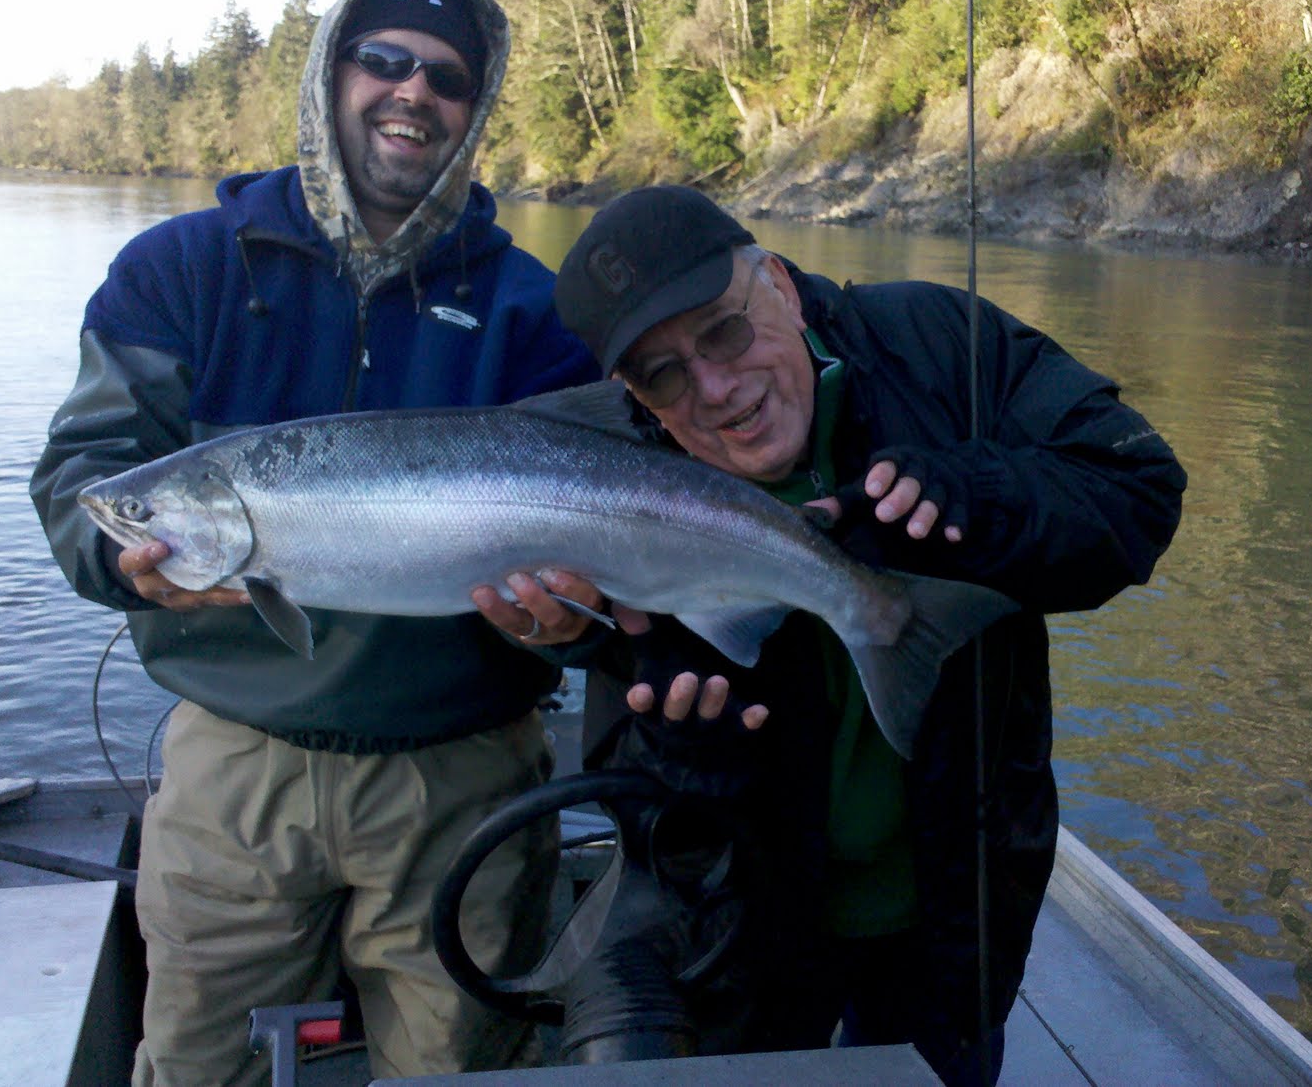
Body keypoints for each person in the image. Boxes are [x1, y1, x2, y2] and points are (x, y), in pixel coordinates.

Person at [30, 0, 598, 1086]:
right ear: (331, 75)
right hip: (234, 773)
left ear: (474, 108)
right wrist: (120, 554)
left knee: (461, 1068)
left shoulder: (534, 310)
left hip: (467, 776)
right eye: (383, 60)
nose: (412, 91)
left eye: (446, 77)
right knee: (198, 1066)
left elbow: (602, 559)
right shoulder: (180, 270)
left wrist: (574, 624)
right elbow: (84, 475)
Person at [485, 185, 1186, 1084]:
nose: (715, 389)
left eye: (723, 332)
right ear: (633, 395)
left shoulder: (936, 341)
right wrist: (666, 737)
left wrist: (978, 494)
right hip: (748, 933)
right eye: (662, 375)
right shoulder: (597, 466)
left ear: (779, 284)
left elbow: (1139, 489)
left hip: (959, 916)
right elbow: (645, 786)